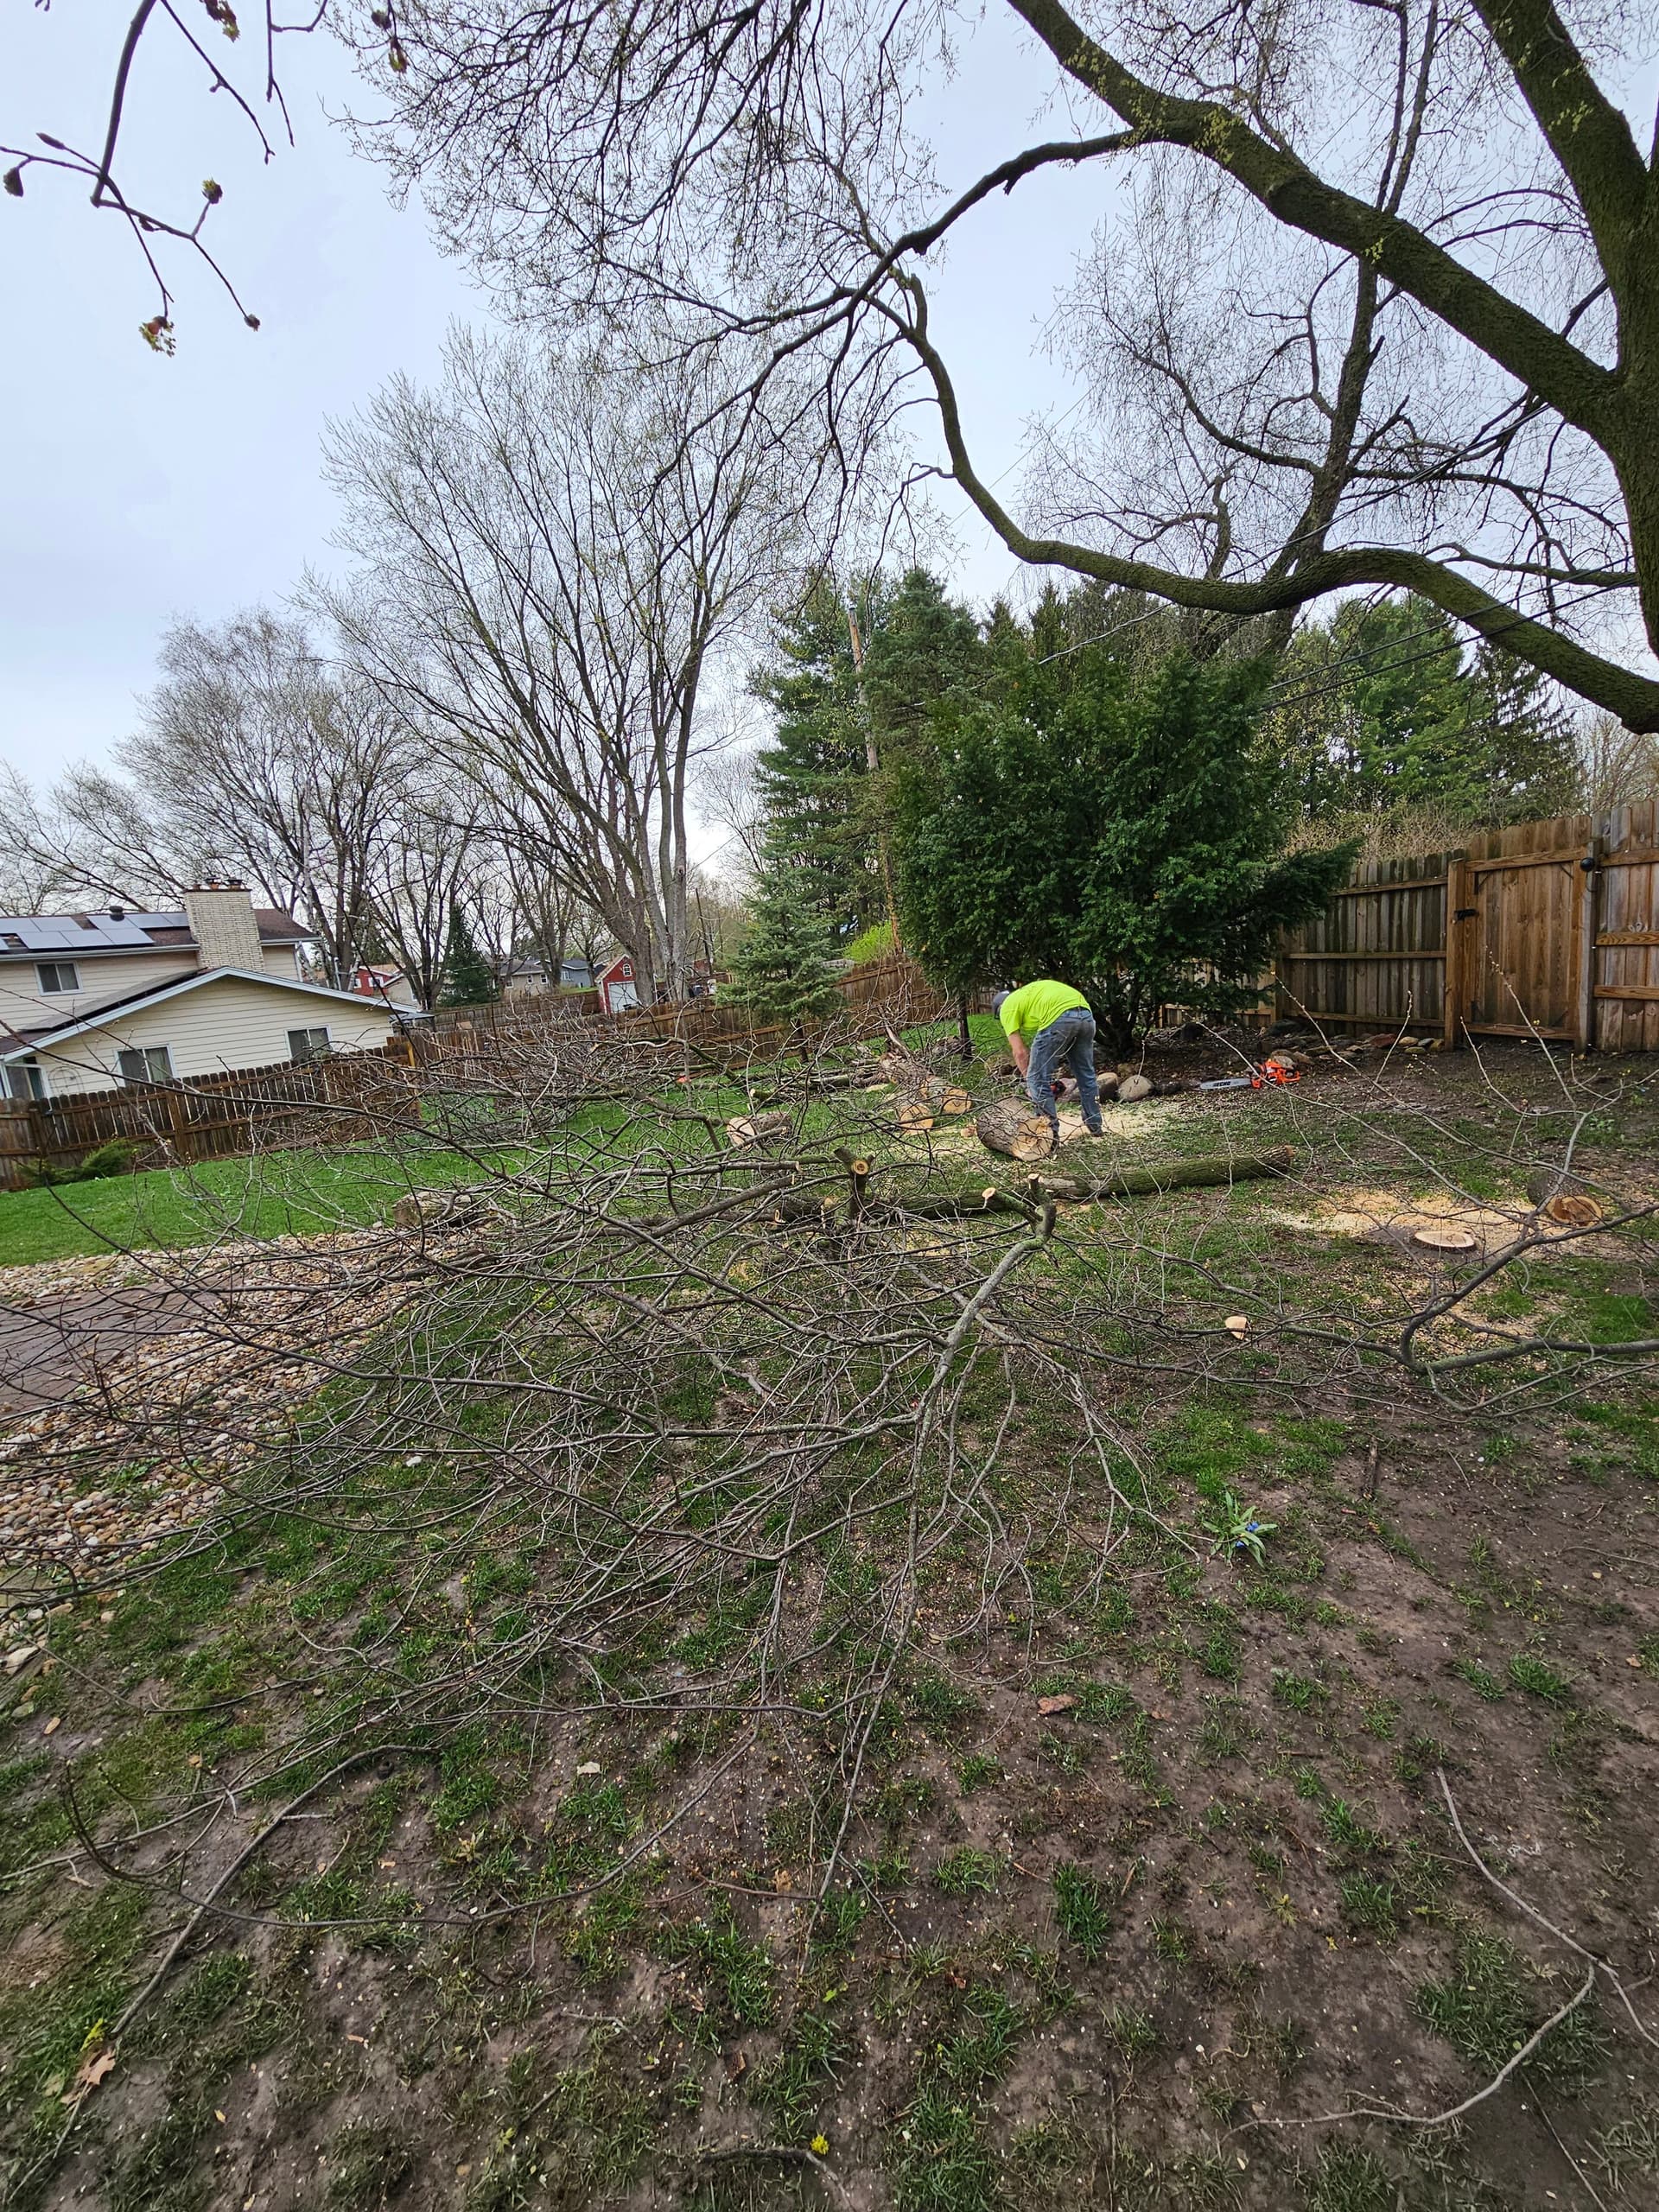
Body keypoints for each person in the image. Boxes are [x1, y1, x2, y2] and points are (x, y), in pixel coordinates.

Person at [992, 980, 1104, 1138]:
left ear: (999, 1009)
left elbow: (1020, 1053)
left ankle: (1049, 1136)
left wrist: (1031, 1083)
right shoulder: (1026, 995)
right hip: (1085, 1015)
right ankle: (1095, 1125)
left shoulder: (1007, 1008)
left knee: (1037, 1079)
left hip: (1059, 1017)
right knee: (1086, 1074)